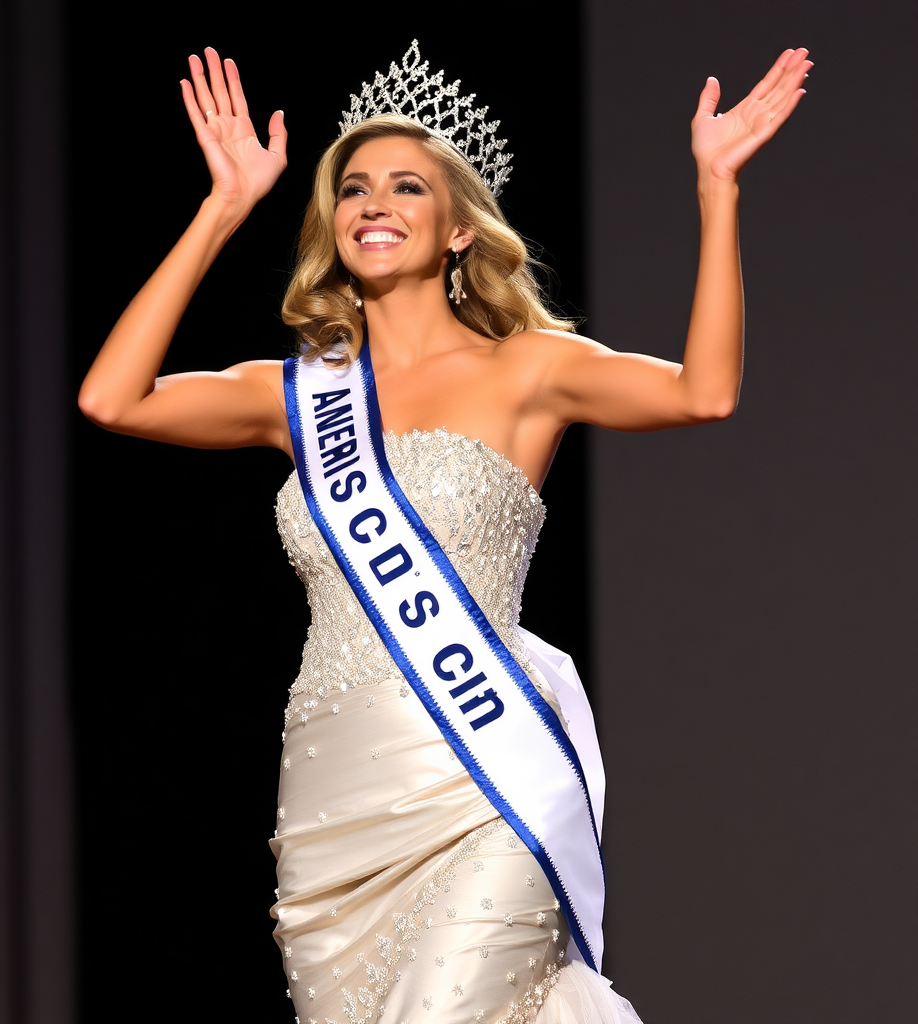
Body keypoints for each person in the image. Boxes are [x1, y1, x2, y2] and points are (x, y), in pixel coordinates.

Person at [79, 42, 811, 1023]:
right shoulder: (295, 394)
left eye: (406, 187)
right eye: (353, 189)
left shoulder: (529, 369)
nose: (372, 204)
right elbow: (110, 398)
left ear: (460, 227)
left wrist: (715, 188)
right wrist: (221, 208)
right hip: (334, 793)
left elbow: (703, 391)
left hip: (483, 774)